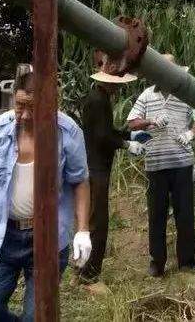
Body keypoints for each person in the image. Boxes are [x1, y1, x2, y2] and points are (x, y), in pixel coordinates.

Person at [0, 64, 92, 321]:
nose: (25, 115)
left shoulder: (68, 132)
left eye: (33, 108)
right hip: (1, 235)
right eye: (19, 106)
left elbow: (80, 181)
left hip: (47, 238)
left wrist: (83, 231)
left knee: (37, 316)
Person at [127, 54, 195, 277]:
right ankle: (157, 262)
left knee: (185, 214)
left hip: (182, 162)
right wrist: (151, 121)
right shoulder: (146, 95)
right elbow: (131, 122)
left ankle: (187, 261)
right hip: (155, 164)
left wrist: (191, 132)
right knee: (157, 215)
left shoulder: (185, 94)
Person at [78, 51, 145, 290]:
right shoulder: (97, 100)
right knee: (99, 222)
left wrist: (129, 134)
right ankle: (89, 273)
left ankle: (85, 267)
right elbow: (102, 136)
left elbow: (107, 131)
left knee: (96, 219)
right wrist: (127, 144)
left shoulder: (100, 98)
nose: (118, 89)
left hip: (97, 165)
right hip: (96, 168)